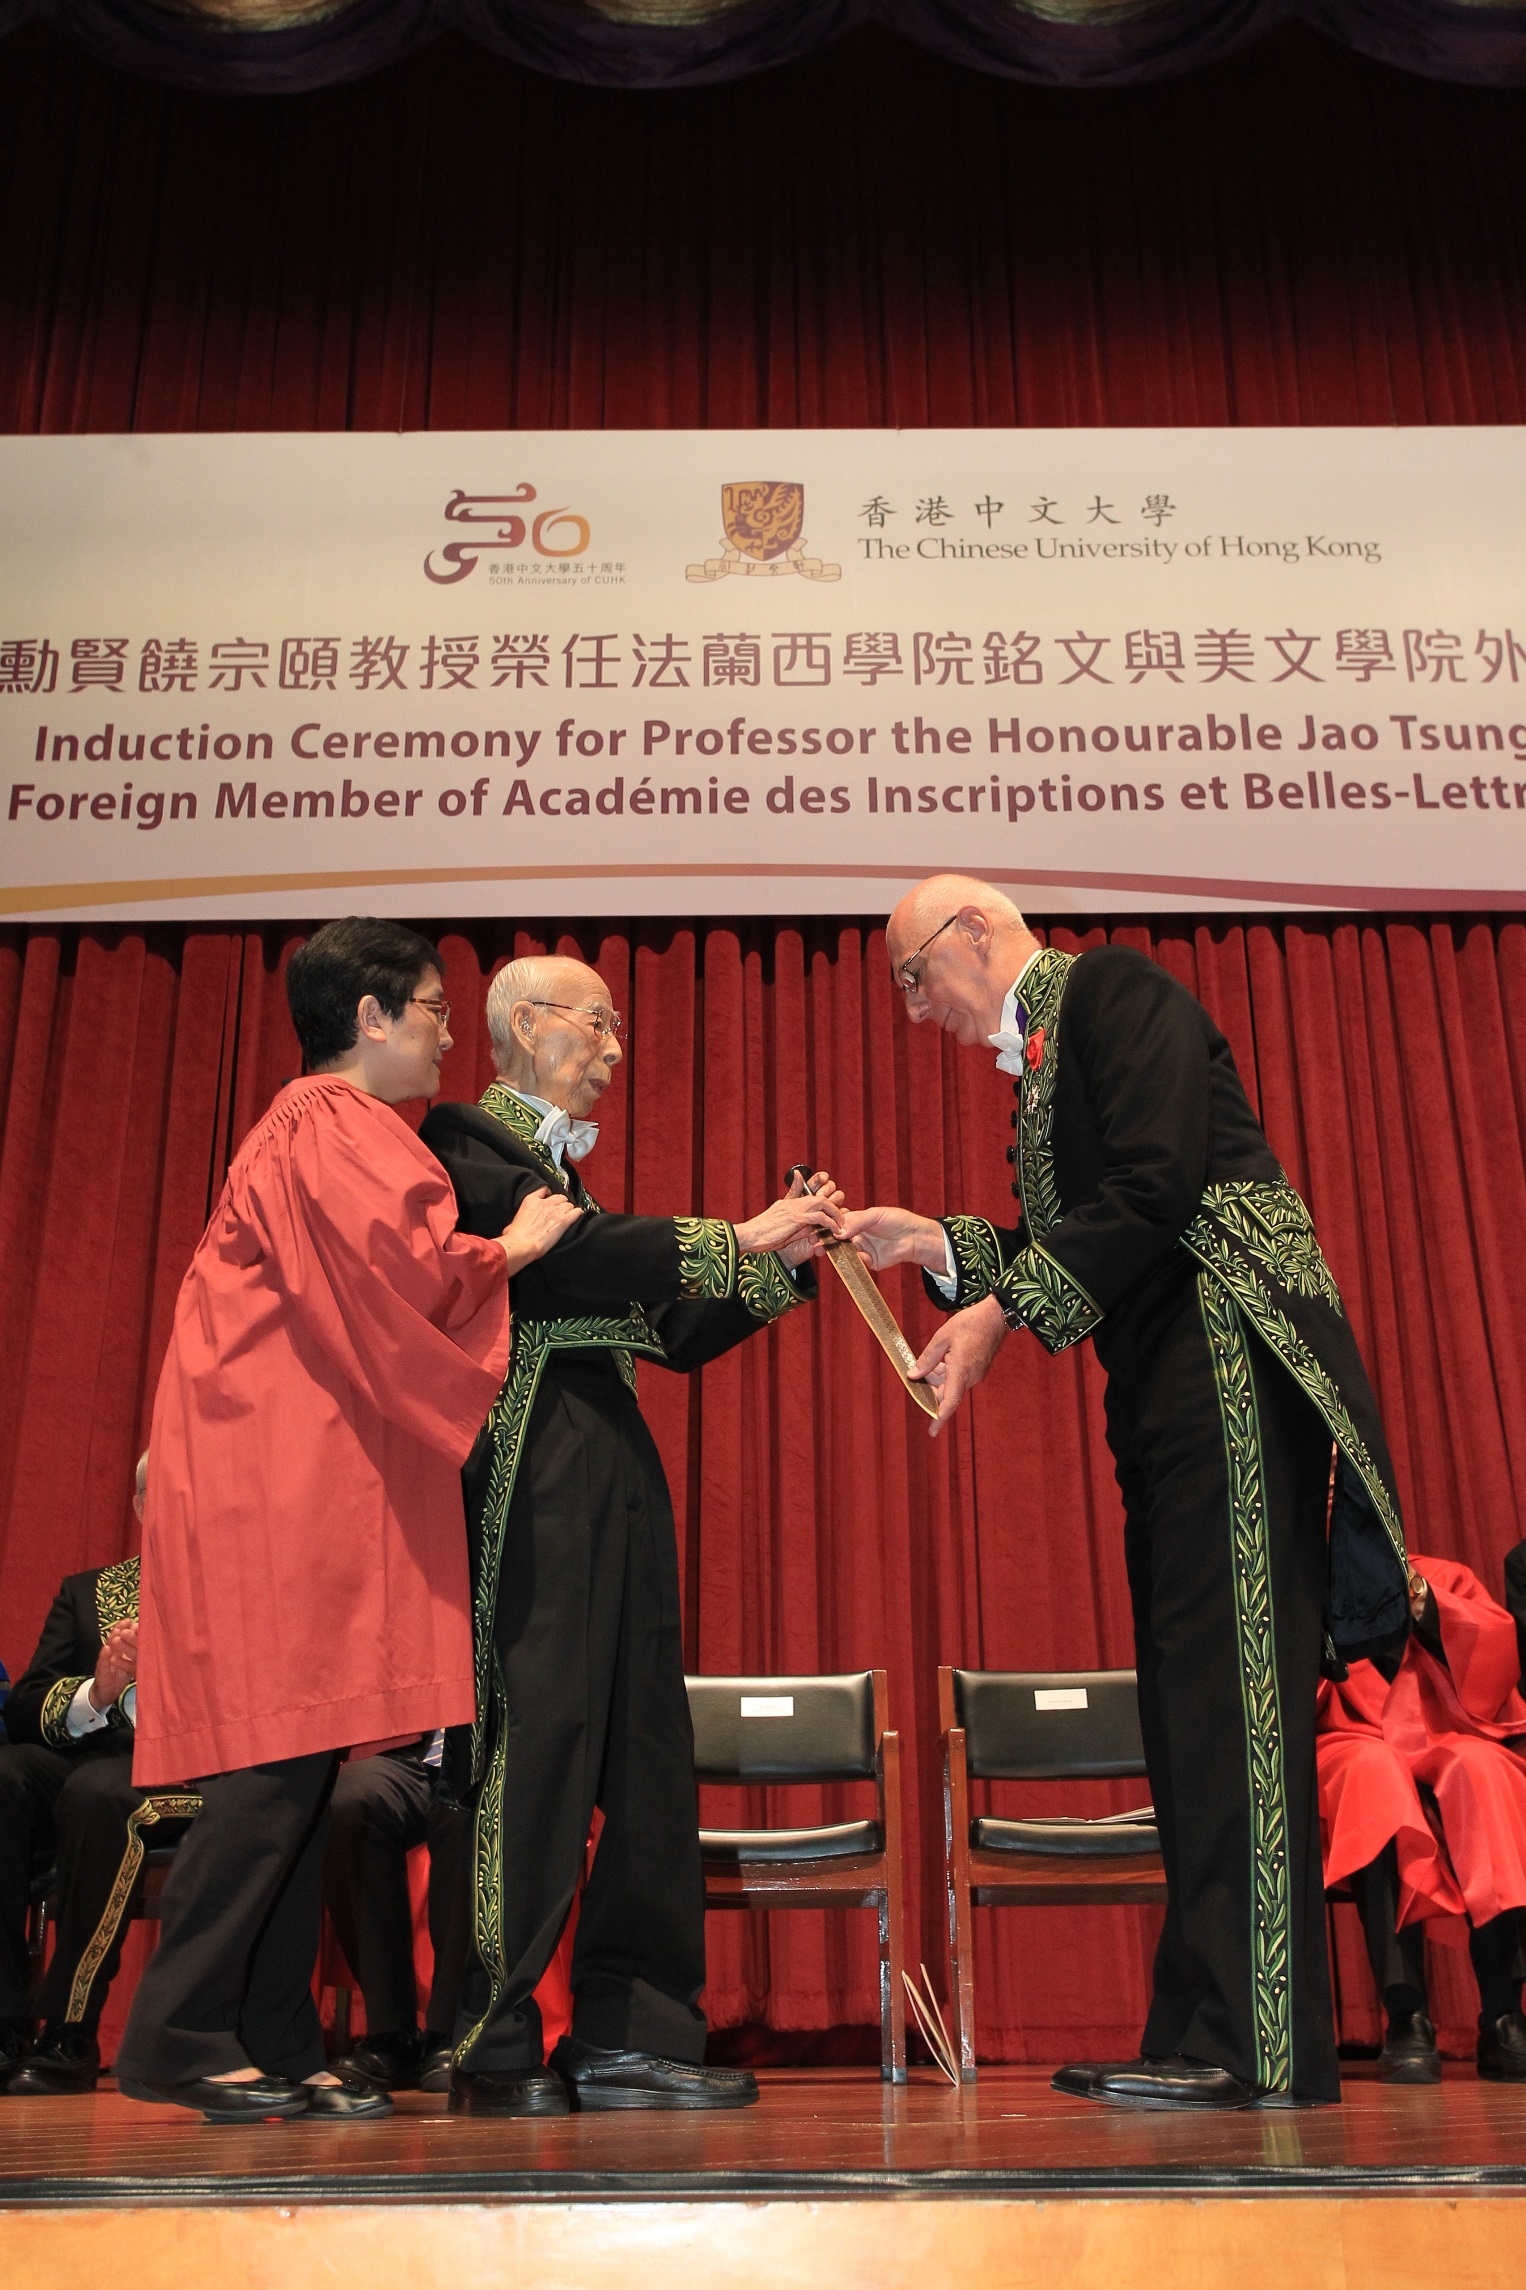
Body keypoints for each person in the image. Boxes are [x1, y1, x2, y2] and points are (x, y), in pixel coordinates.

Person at [842, 878, 1410, 2110]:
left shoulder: (1110, 988)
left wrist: (997, 1313)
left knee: (1235, 1705)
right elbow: (1094, 1226)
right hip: (1168, 1385)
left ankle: (1253, 2042)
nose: (912, 1009)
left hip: (1230, 1357)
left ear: (974, 933)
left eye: (909, 975)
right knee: (1190, 1705)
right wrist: (937, 1247)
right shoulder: (1047, 1057)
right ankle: (1204, 2027)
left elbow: (1153, 1188)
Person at [116, 917, 580, 2125]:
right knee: (272, 1760)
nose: (441, 1032)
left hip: (295, 1463)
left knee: (302, 1753)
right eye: (429, 1007)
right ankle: (174, 2030)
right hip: (280, 1477)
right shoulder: (331, 1126)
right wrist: (510, 1248)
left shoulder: (313, 1130)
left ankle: (269, 2034)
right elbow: (405, 1275)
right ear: (367, 1017)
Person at [420, 954, 842, 2116]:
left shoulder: (565, 1184)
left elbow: (663, 1328)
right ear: (522, 1024)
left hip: (610, 1460)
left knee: (647, 1750)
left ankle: (633, 2029)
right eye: (597, 1024)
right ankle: (493, 2032)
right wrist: (739, 1233)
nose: (614, 1049)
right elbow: (585, 1261)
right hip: (530, 1464)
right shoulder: (462, 1141)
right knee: (540, 1731)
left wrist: (775, 1267)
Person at [0, 1456, 197, 2095]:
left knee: (97, 1792)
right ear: (140, 1507)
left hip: (194, 1777)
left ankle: (70, 2027)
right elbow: (26, 1706)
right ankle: (5, 2021)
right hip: (92, 1760)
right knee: (6, 1775)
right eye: (160, 1493)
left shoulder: (244, 1593)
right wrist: (98, 1691)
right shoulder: (88, 1593)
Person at [1319, 1555, 1526, 2081]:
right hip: (1352, 1734)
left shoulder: (1441, 1575)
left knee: (1485, 1773)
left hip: (1447, 1730)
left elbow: (1495, 1656)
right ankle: (1406, 2015)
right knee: (1376, 1779)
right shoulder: (1298, 1580)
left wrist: (1427, 1606)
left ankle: (1504, 2013)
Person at [323, 1734, 469, 2092]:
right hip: (411, 1749)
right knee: (349, 1797)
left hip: (483, 1753)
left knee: (470, 1811)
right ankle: (391, 2032)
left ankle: (452, 2032)